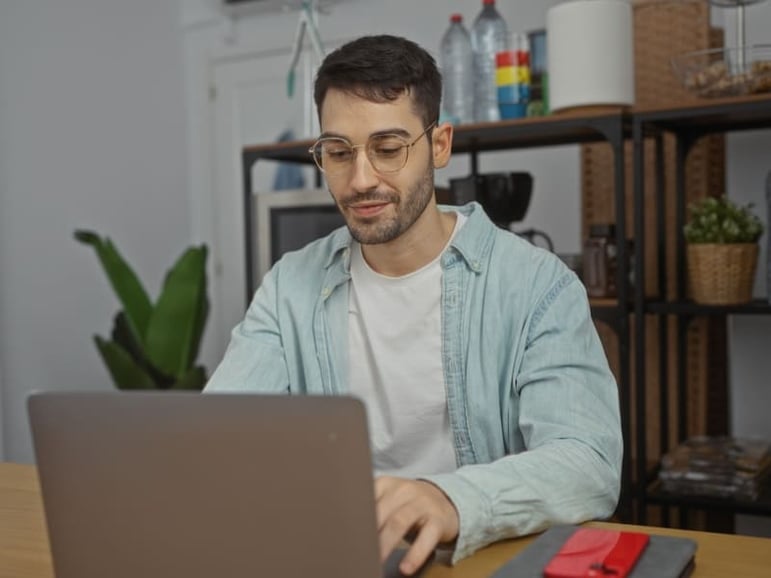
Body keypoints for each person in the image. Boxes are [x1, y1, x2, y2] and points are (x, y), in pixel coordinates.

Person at [205, 34, 622, 576]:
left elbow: (588, 463)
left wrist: (450, 499)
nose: (361, 180)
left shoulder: (536, 286)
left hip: (471, 561)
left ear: (439, 145)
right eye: (338, 153)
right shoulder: (290, 286)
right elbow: (219, 440)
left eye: (388, 148)